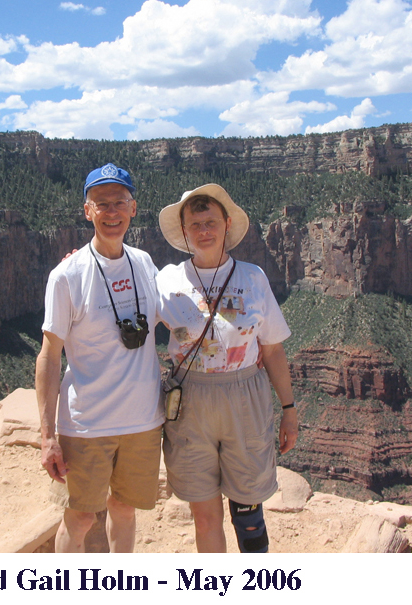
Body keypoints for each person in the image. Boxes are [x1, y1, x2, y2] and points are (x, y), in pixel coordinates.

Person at [157, 183, 298, 553]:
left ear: (227, 224)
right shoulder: (166, 280)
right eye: (195, 224)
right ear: (184, 231)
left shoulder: (252, 277)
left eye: (211, 222)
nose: (204, 231)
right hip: (191, 403)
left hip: (245, 397)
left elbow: (272, 351)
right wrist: (78, 263)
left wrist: (289, 409)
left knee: (249, 517)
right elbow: (125, 316)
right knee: (205, 518)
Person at [35, 163, 163, 553]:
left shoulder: (144, 263)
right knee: (80, 517)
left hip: (143, 421)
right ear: (87, 210)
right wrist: (46, 438)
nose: (111, 212)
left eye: (119, 202)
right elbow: (49, 357)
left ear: (134, 207)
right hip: (87, 425)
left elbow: (181, 315)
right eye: (101, 203)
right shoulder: (67, 275)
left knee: (124, 510)